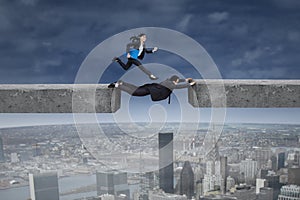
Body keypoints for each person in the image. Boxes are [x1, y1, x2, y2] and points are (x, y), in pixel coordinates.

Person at [108, 75, 196, 103]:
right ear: (174, 81)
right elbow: (178, 86)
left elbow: (177, 81)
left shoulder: (169, 81)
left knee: (136, 88)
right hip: (149, 90)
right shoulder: (171, 84)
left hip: (150, 87)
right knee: (133, 92)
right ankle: (116, 85)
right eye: (177, 81)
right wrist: (190, 84)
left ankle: (122, 83)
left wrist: (185, 80)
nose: (177, 82)